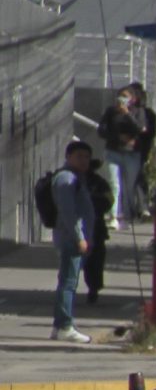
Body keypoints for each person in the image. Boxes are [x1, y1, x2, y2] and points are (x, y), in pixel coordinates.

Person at [46, 138, 98, 343]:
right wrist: (80, 237)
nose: (84, 160)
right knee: (68, 283)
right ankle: (65, 325)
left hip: (76, 238)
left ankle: (59, 325)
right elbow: (68, 212)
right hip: (71, 239)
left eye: (87, 157)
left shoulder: (77, 178)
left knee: (68, 281)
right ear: (68, 157)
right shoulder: (67, 179)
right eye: (79, 156)